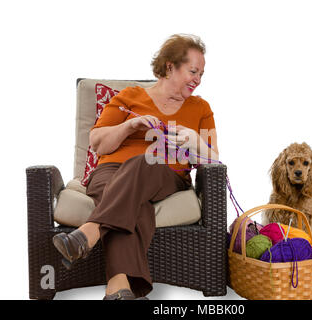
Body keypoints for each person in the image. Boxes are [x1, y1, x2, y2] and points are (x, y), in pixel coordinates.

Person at [52, 34, 219, 300]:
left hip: (164, 173)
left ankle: (89, 232)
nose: (198, 79)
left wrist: (196, 141)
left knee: (145, 160)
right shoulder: (130, 97)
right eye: (193, 71)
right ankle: (119, 288)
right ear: (169, 67)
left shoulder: (200, 108)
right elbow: (97, 142)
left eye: (201, 74)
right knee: (133, 204)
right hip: (110, 171)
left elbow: (213, 161)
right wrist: (129, 126)